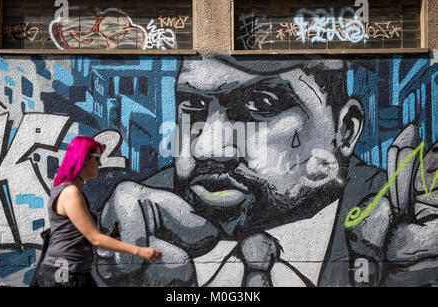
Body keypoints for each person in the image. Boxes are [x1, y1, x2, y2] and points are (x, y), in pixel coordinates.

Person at [94, 55, 438, 287]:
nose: (208, 148)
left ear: (344, 131)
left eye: (261, 105)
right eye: (194, 106)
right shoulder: (129, 224)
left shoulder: (406, 224)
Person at [34, 136, 162, 287]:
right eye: (97, 159)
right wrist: (139, 251)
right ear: (83, 159)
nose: (100, 164)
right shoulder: (70, 193)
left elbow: (87, 238)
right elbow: (95, 238)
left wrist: (113, 233)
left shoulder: (72, 190)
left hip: (76, 271)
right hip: (63, 273)